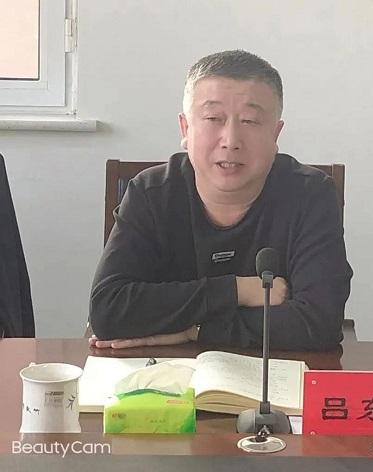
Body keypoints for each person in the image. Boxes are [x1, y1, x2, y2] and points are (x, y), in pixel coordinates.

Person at [89, 50, 352, 351]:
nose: (230, 140)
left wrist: (196, 331)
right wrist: (238, 289)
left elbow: (319, 322)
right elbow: (108, 311)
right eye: (213, 118)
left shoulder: (310, 195)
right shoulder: (151, 193)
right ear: (185, 128)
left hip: (272, 372)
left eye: (250, 121)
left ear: (276, 134)